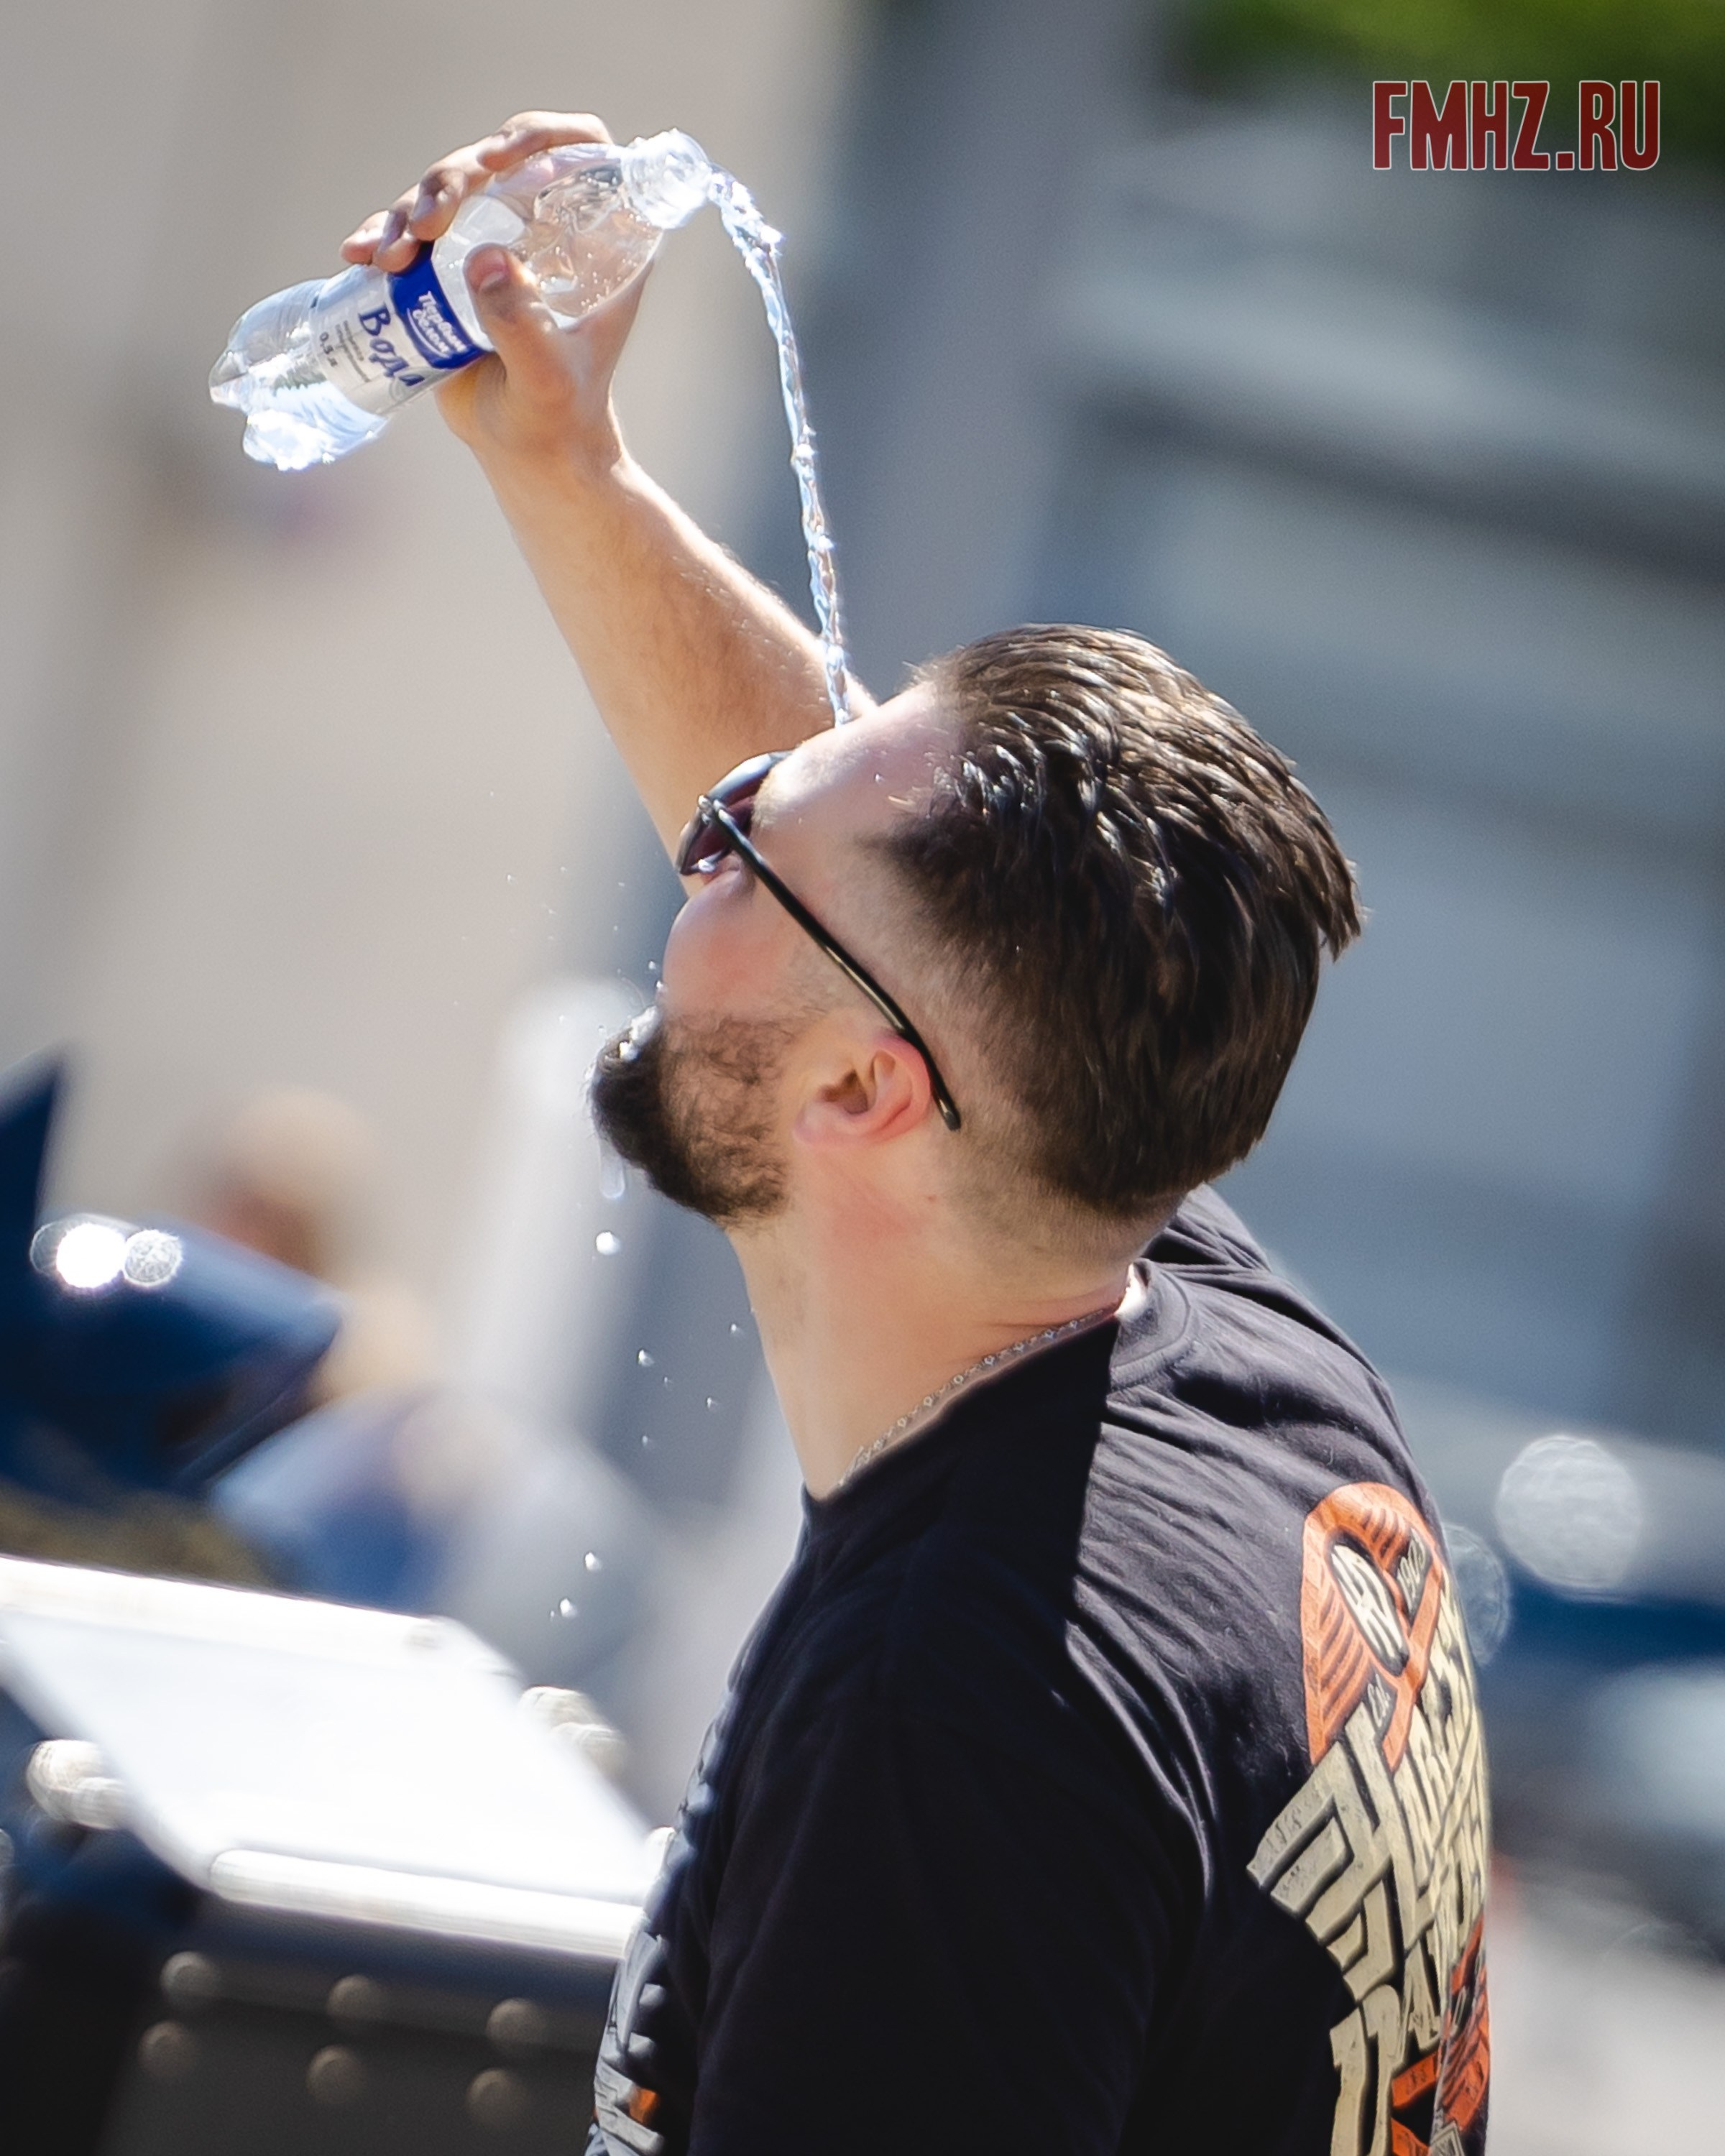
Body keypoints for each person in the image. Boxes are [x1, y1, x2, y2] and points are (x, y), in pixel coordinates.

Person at [341, 114, 1491, 2156]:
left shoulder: (961, 1729)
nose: (692, 836)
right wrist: (566, 462)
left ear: (867, 1092)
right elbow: (882, 912)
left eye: (727, 853)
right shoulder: (1217, 1349)